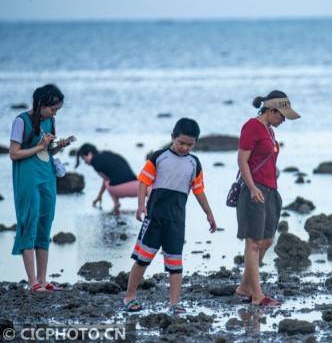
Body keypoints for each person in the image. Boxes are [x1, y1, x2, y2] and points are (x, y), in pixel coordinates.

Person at [122, 118, 217, 314]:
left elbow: (199, 191)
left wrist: (209, 213)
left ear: (195, 143)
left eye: (189, 144)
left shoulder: (194, 163)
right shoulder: (159, 157)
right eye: (181, 142)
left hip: (176, 220)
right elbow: (142, 182)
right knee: (143, 259)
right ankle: (129, 297)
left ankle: (174, 303)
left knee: (175, 263)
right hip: (154, 218)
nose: (184, 147)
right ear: (172, 137)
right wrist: (141, 205)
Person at [234, 91, 300, 307]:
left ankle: (244, 287)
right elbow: (242, 161)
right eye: (282, 116)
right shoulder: (251, 126)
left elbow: (263, 157)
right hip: (255, 190)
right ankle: (257, 296)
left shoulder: (269, 130)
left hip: (271, 189)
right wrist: (252, 187)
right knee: (253, 243)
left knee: (267, 240)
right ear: (271, 110)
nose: (283, 120)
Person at [9, 84, 71, 292]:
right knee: (29, 220)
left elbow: (47, 152)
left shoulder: (50, 121)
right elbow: (14, 153)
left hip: (47, 175)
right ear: (41, 103)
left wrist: (57, 147)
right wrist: (40, 146)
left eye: (57, 110)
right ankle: (32, 281)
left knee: (45, 222)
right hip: (27, 177)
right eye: (53, 108)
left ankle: (43, 279)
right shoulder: (21, 121)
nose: (55, 113)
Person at [75, 143, 139, 215]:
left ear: (89, 154)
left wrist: (99, 195)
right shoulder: (108, 154)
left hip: (122, 189)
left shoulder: (94, 161)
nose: (85, 162)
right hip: (137, 186)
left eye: (84, 158)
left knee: (108, 182)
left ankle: (116, 204)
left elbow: (106, 180)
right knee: (112, 179)